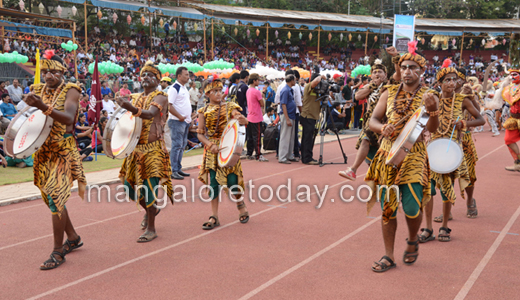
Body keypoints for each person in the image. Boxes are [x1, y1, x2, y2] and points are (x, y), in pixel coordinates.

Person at [364, 43, 440, 272]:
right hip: (388, 155)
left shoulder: (430, 95)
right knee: (388, 210)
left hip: (414, 156)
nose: (407, 71)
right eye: (404, 67)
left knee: (412, 208)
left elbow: (433, 128)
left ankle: (413, 238)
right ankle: (389, 255)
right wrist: (382, 128)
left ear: (421, 71)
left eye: (412, 67)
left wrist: (433, 109)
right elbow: (372, 121)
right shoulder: (388, 92)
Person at [24, 50, 87, 270]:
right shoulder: (37, 89)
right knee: (51, 197)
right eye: (45, 71)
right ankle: (72, 237)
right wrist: (28, 104)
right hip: (42, 151)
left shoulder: (71, 91)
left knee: (56, 199)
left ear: (62, 72)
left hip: (63, 151)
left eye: (53, 71)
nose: (49, 75)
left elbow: (69, 118)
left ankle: (58, 251)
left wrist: (42, 106)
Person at [419, 61, 484, 244]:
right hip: (432, 149)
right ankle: (428, 227)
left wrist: (464, 124)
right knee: (429, 190)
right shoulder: (432, 99)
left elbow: (480, 120)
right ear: (439, 83)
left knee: (447, 190)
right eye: (447, 80)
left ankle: (445, 226)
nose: (451, 83)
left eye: (454, 80)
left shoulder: (462, 100)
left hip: (451, 150)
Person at [115, 61, 174, 243]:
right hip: (136, 149)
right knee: (128, 186)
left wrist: (128, 107)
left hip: (153, 150)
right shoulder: (137, 97)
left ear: (157, 80)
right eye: (144, 75)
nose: (146, 77)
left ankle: (151, 228)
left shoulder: (161, 96)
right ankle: (153, 209)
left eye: (150, 75)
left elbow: (148, 114)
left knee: (149, 189)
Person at [196, 77, 250, 230]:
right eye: (215, 91)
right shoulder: (203, 111)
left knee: (232, 182)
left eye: (220, 91)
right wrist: (209, 145)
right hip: (212, 151)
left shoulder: (230, 106)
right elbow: (200, 134)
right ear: (207, 93)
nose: (219, 94)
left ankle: (240, 203)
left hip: (229, 148)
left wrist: (241, 118)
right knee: (213, 183)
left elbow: (243, 121)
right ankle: (214, 216)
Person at [339, 55, 396, 180]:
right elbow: (358, 96)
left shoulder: (390, 85)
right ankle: (353, 170)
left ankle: (384, 183)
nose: (377, 74)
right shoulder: (370, 86)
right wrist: (373, 85)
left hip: (385, 125)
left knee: (382, 160)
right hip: (370, 124)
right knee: (366, 144)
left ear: (385, 74)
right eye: (374, 72)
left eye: (380, 72)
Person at [168, 66, 192, 180]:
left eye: (188, 75)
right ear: (179, 76)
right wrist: (179, 117)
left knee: (182, 146)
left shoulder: (183, 88)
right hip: (177, 121)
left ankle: (178, 168)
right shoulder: (174, 88)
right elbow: (169, 105)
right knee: (177, 146)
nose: (188, 77)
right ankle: (174, 170)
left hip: (184, 121)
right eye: (186, 75)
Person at [245, 73, 268, 161]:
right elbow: (262, 103)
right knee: (257, 137)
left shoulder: (248, 90)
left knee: (250, 137)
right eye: (258, 80)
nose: (259, 82)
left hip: (250, 116)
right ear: (254, 81)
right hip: (256, 117)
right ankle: (258, 155)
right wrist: (262, 97)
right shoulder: (256, 91)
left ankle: (249, 153)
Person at [278, 75, 297, 164]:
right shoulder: (285, 90)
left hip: (291, 115)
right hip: (287, 115)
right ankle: (282, 157)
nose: (296, 82)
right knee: (285, 136)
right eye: (295, 80)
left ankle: (289, 155)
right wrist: (287, 118)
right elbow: (283, 105)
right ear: (291, 80)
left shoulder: (290, 90)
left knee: (291, 137)